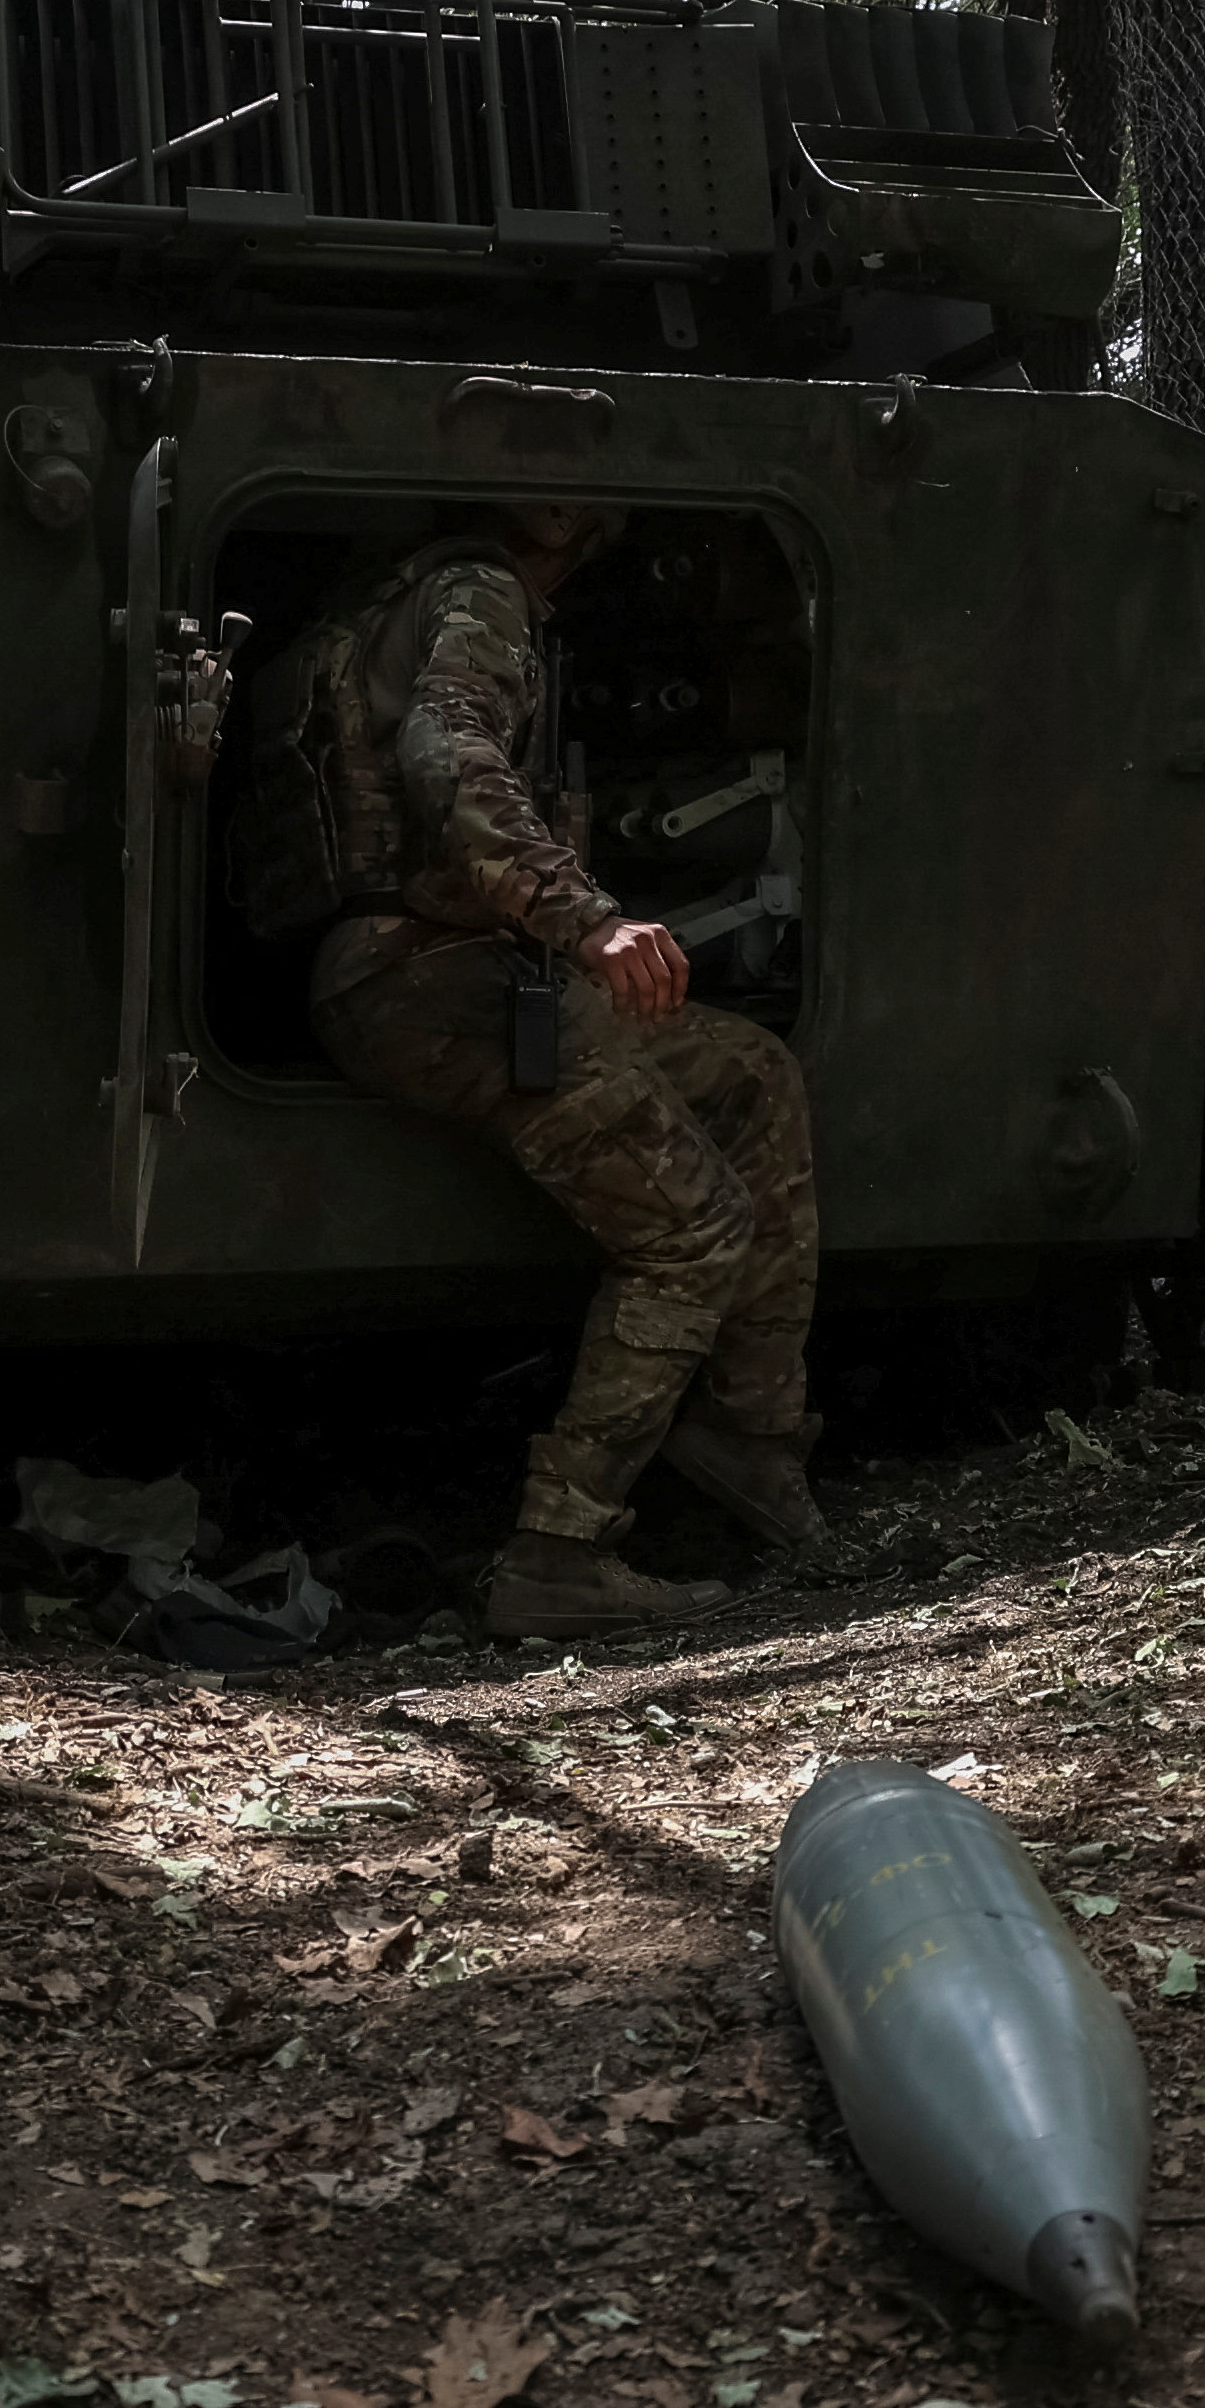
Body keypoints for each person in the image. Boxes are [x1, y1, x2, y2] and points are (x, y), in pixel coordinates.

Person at [264, 501, 826, 1639]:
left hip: (438, 963)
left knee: (752, 1074)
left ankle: (746, 1435)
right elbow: (447, 752)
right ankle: (558, 1548)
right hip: (432, 973)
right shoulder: (480, 592)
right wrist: (583, 920)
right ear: (570, 518)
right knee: (693, 1227)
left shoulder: (387, 588)